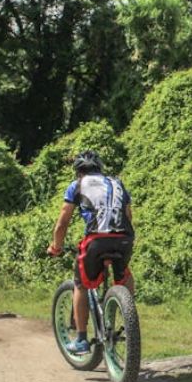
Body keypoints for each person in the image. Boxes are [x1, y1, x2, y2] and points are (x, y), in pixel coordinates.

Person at [46, 150, 134, 355]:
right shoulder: (117, 183)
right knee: (125, 274)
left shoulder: (77, 185)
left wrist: (56, 247)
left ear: (78, 172)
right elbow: (128, 215)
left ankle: (81, 339)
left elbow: (62, 223)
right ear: (100, 169)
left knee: (81, 284)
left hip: (96, 241)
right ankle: (130, 317)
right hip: (124, 239)